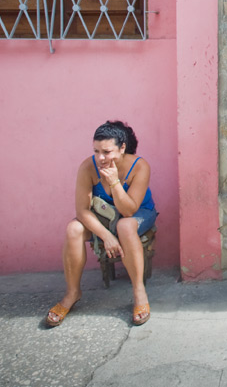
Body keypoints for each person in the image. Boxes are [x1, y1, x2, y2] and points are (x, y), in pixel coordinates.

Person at [46, 120, 158, 327]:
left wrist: (115, 182)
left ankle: (139, 293)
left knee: (125, 225)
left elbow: (128, 210)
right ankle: (72, 293)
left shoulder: (139, 166)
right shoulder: (88, 167)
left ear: (122, 147)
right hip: (102, 216)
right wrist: (106, 236)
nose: (100, 158)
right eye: (96, 151)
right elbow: (82, 211)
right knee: (74, 228)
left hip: (138, 213)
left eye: (106, 152)